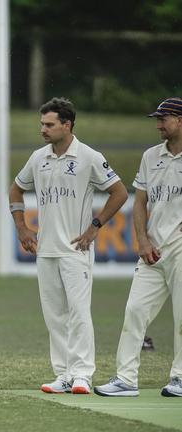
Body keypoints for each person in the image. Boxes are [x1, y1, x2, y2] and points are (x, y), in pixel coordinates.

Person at [9, 97, 128, 394]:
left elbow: (119, 192)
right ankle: (62, 374)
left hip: (76, 250)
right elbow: (16, 187)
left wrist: (94, 227)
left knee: (78, 312)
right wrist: (22, 227)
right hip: (45, 250)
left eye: (49, 125)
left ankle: (82, 375)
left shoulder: (88, 156)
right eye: (41, 124)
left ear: (67, 124)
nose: (43, 130)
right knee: (54, 315)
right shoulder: (39, 158)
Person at [95, 97, 182, 398]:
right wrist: (142, 239)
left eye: (163, 119)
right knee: (135, 310)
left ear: (180, 121)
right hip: (153, 248)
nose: (158, 125)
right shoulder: (151, 156)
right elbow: (140, 201)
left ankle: (180, 378)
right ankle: (125, 379)